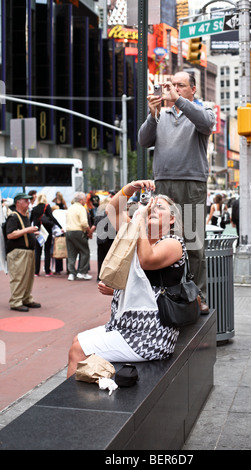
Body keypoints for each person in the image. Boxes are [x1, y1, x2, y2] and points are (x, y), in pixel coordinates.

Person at [67, 180, 187, 377]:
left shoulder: (174, 242)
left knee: (78, 350)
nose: (152, 208)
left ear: (172, 219)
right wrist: (131, 188)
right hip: (126, 326)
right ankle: (88, 395)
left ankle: (73, 405)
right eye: (150, 204)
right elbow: (112, 210)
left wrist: (139, 219)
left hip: (151, 335)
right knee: (76, 341)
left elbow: (146, 260)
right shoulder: (136, 232)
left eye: (159, 207)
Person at [138, 71, 215, 313]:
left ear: (193, 90)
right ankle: (165, 291)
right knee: (161, 239)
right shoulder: (161, 114)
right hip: (164, 184)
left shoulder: (202, 111)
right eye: (171, 86)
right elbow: (143, 140)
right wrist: (152, 114)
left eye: (180, 85)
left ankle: (198, 295)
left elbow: (206, 124)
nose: (174, 89)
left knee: (193, 241)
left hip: (191, 183)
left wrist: (179, 100)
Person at [5, 192, 41, 312]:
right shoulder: (13, 216)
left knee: (28, 277)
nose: (28, 202)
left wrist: (31, 233)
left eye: (28, 200)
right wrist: (27, 230)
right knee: (19, 277)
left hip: (27, 251)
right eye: (25, 201)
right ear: (18, 203)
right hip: (18, 252)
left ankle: (26, 298)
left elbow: (20, 232)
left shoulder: (24, 216)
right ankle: (16, 301)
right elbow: (10, 234)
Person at [30, 193, 63, 276]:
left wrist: (29, 230)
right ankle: (47, 271)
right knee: (47, 251)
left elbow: (30, 220)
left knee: (38, 251)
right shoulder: (46, 206)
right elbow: (52, 218)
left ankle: (36, 271)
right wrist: (60, 226)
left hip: (37, 231)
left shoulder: (34, 208)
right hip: (47, 231)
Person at [66, 192, 94, 281]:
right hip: (78, 231)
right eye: (85, 199)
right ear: (81, 200)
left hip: (69, 231)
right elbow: (84, 223)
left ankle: (71, 273)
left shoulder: (70, 208)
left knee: (71, 253)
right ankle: (82, 272)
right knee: (85, 251)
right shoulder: (81, 208)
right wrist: (89, 232)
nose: (86, 201)